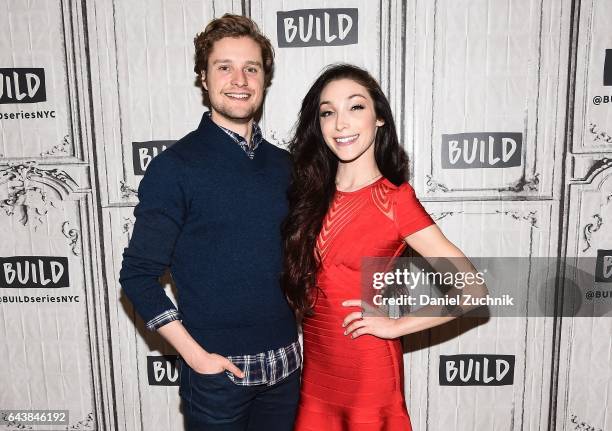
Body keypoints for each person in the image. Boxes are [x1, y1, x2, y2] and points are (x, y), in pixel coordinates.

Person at [120, 14, 300, 431]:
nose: (239, 79)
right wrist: (197, 358)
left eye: (250, 68)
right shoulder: (174, 168)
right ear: (204, 77)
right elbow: (138, 277)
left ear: (264, 79)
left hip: (288, 369)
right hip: (219, 379)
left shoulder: (288, 166)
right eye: (224, 67)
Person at [282, 64, 486, 430]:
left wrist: (398, 326)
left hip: (368, 371)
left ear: (379, 118)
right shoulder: (308, 196)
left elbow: (473, 290)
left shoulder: (395, 201)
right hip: (317, 373)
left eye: (355, 107)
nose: (341, 123)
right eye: (328, 112)